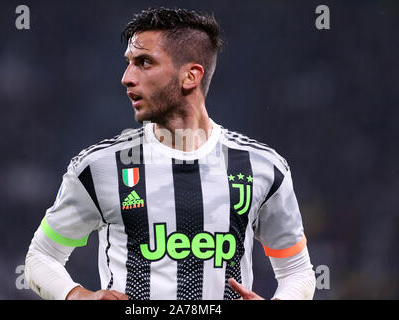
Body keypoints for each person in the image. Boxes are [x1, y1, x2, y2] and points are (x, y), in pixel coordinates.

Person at [24, 7, 316, 300]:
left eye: (144, 63)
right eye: (129, 63)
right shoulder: (98, 168)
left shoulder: (263, 167)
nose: (127, 77)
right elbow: (42, 256)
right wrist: (78, 296)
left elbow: (297, 269)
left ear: (190, 76)